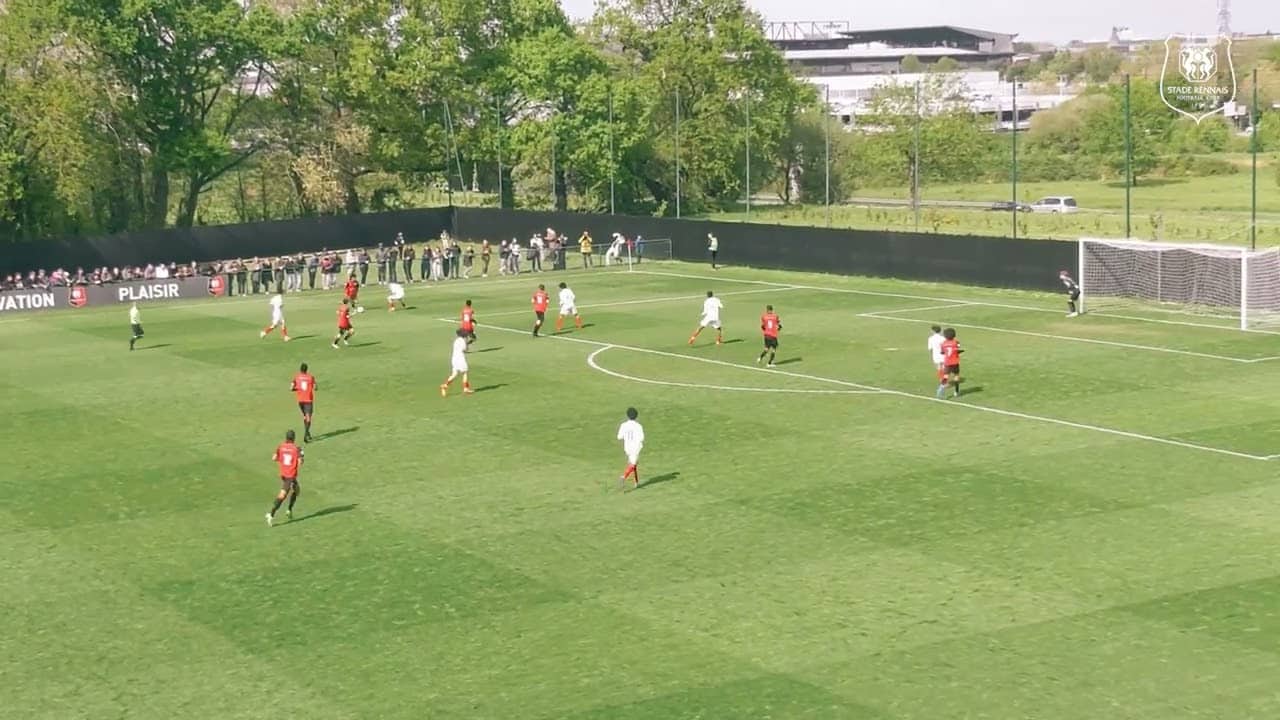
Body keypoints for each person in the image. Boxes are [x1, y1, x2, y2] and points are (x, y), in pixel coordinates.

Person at [266, 429, 303, 526]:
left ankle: (289, 510)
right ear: (294, 438)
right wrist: (301, 457)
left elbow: (274, 458)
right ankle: (271, 514)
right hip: (290, 475)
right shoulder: (296, 448)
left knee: (297, 490)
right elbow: (300, 462)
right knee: (282, 495)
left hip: (283, 474)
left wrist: (282, 460)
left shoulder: (281, 446)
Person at [616, 407, 645, 490]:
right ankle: (623, 477)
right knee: (633, 464)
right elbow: (642, 438)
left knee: (633, 463)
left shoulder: (623, 425)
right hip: (635, 447)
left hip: (627, 447)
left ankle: (636, 482)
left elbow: (619, 437)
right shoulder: (638, 426)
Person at [439, 329, 473, 397]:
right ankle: (466, 388)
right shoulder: (463, 341)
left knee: (454, 374)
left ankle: (445, 385)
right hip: (460, 358)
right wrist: (468, 343)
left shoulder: (456, 340)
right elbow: (465, 350)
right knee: (465, 373)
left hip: (454, 359)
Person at [292, 363, 317, 442]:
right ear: (307, 369)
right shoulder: (311, 377)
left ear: (300, 369)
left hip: (300, 400)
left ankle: (308, 432)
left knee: (305, 417)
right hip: (308, 400)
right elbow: (315, 387)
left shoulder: (296, 377)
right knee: (308, 418)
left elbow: (291, 388)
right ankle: (306, 435)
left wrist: (297, 389)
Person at [940, 328, 964, 398]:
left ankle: (941, 388)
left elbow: (942, 352)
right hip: (955, 362)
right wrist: (961, 351)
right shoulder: (956, 342)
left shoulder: (943, 343)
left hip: (947, 362)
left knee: (946, 376)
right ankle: (956, 392)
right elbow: (957, 350)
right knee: (956, 376)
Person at [927, 325, 946, 397]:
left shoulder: (931, 338)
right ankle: (943, 381)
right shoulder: (943, 338)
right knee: (944, 368)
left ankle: (942, 381)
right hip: (943, 355)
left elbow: (930, 349)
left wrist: (931, 355)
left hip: (936, 355)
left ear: (933, 331)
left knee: (939, 368)